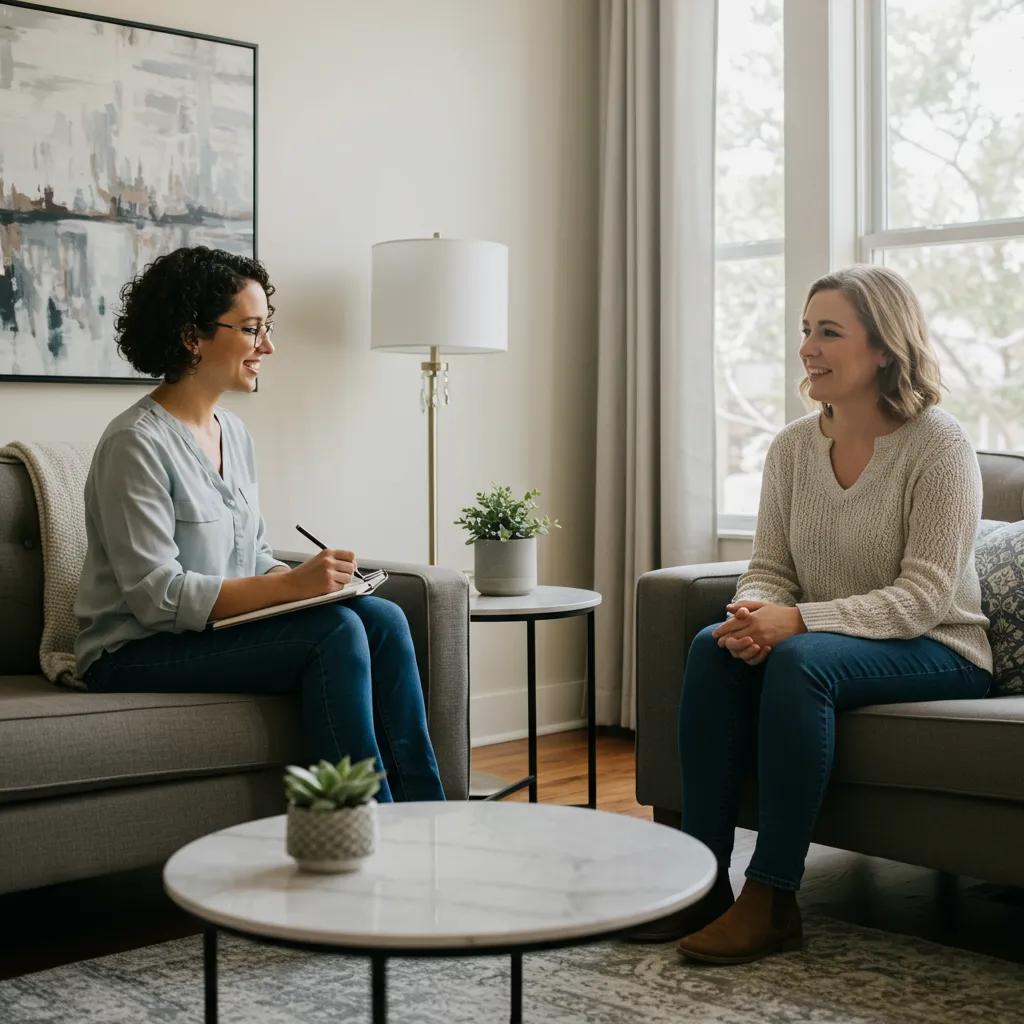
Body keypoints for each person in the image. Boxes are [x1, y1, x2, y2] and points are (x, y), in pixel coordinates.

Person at [635, 265, 992, 962]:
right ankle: (701, 883)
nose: (808, 347)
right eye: (806, 331)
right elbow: (770, 565)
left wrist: (795, 624)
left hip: (939, 646)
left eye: (829, 332)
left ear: (884, 347)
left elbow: (923, 596)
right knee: (713, 645)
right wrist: (753, 612)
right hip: (841, 641)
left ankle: (771, 898)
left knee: (800, 660)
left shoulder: (939, 446)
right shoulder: (793, 447)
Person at [74, 246, 445, 803]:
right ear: (191, 336)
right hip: (133, 651)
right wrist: (289, 587)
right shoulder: (136, 443)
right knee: (336, 633)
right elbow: (158, 597)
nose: (267, 346)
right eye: (251, 330)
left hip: (212, 633)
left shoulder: (234, 432)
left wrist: (316, 585)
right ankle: (365, 828)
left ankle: (433, 824)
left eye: (266, 328)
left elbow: (250, 558)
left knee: (383, 618)